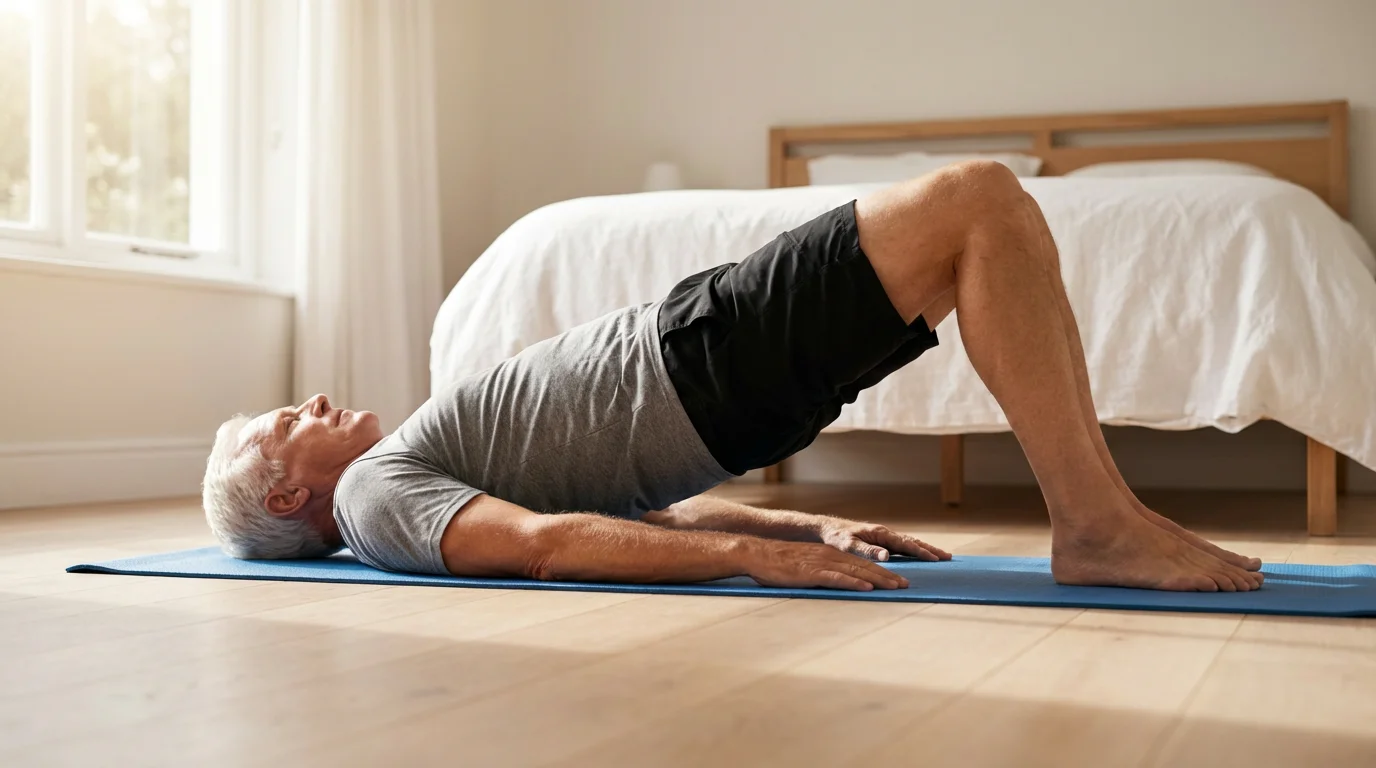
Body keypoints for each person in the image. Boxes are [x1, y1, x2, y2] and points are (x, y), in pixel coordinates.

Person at [203, 161, 1264, 593]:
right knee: (978, 197)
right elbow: (546, 544)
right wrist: (752, 560)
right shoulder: (376, 495)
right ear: (291, 495)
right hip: (699, 359)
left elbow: (612, 510)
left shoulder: (398, 484)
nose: (307, 404)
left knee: (976, 239)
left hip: (710, 370)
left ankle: (1099, 517)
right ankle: (1095, 524)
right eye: (279, 426)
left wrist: (805, 529)